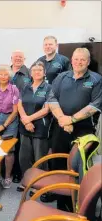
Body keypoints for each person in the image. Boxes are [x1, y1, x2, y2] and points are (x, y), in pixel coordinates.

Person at [48, 48, 102, 210]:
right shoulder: (61, 77)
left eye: (82, 60)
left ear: (87, 61)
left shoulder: (96, 79)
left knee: (78, 164)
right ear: (71, 60)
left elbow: (95, 105)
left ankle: (78, 202)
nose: (78, 62)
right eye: (76, 59)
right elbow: (51, 99)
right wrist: (63, 120)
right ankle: (61, 200)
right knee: (57, 161)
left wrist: (71, 119)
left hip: (83, 130)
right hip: (60, 126)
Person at [17, 61, 52, 191]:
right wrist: (26, 121)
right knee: (24, 156)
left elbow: (47, 109)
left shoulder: (48, 88)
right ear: (31, 73)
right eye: (34, 70)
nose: (37, 72)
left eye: (39, 70)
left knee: (39, 157)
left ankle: (39, 184)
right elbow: (19, 104)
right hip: (25, 126)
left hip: (40, 127)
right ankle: (26, 180)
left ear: (44, 73)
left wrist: (29, 119)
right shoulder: (25, 86)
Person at [10, 50, 31, 183]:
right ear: (11, 58)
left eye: (20, 57)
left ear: (24, 59)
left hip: (21, 112)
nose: (18, 59)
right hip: (5, 112)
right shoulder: (5, 70)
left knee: (18, 144)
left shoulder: (29, 73)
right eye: (15, 57)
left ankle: (17, 172)